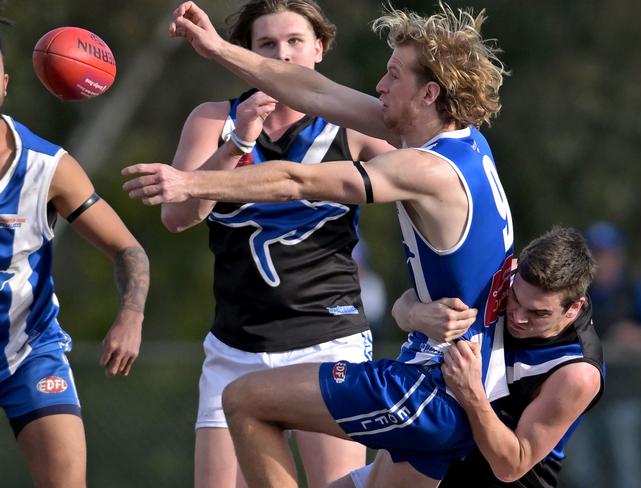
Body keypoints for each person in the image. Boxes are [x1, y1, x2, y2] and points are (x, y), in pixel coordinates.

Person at [123, 2, 514, 486]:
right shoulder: (464, 140)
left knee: (243, 401)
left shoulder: (426, 169)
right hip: (464, 379)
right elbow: (312, 89)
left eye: (393, 75)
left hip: (434, 385)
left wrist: (191, 184)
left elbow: (297, 180)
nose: (380, 86)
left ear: (429, 93)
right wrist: (218, 48)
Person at [158, 1, 393, 487]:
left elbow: (431, 179)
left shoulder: (353, 126)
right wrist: (237, 145)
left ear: (319, 49)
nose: (282, 55)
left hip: (327, 342)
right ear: (245, 53)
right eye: (266, 44)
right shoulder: (213, 119)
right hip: (236, 346)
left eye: (294, 42)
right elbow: (177, 216)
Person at [0, 40, 149, 487]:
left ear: (4, 85)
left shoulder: (48, 166)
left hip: (29, 349)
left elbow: (129, 249)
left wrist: (131, 314)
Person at [390, 227, 604, 488]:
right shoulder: (502, 274)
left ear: (574, 308)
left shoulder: (577, 371)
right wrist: (417, 315)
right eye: (514, 298)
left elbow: (511, 465)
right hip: (438, 457)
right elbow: (401, 307)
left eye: (539, 314)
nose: (518, 316)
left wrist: (471, 392)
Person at [563, 221, 641, 488]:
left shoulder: (634, 292)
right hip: (580, 402)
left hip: (624, 398)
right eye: (596, 255)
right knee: (580, 473)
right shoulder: (574, 294)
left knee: (626, 469)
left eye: (608, 254)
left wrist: (633, 336)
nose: (603, 261)